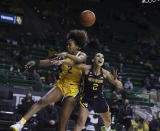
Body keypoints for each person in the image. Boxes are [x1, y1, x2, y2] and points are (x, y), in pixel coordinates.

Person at [10, 29, 88, 131]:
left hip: (74, 90)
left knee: (62, 123)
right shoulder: (63, 54)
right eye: (67, 44)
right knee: (42, 101)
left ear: (77, 46)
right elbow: (50, 61)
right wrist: (36, 62)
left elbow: (79, 60)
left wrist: (66, 56)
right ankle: (20, 124)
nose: (67, 46)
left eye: (70, 45)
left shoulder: (82, 55)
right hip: (62, 84)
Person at [51, 53, 123, 131]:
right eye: (98, 56)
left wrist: (116, 81)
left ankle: (107, 129)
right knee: (80, 122)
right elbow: (73, 64)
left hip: (99, 99)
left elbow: (120, 86)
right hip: (86, 98)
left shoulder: (105, 73)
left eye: (103, 57)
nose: (101, 58)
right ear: (93, 60)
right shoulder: (86, 68)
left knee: (108, 121)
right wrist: (62, 61)